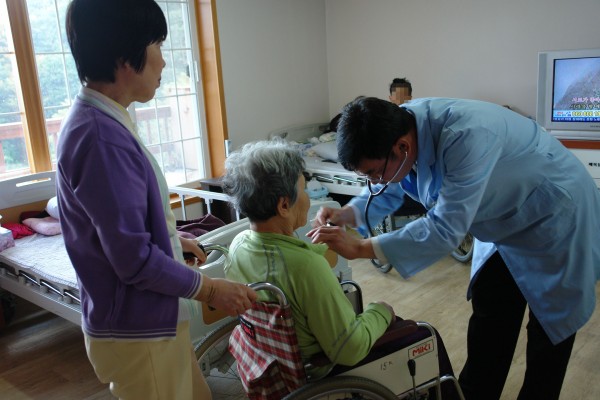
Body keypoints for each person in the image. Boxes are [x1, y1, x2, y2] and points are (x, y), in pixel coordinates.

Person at [307, 96, 600, 400]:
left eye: (372, 173)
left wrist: (362, 248)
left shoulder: (467, 136)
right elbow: (392, 184)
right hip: (501, 216)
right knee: (491, 312)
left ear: (403, 147)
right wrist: (347, 214)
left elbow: (444, 229)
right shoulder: (399, 129)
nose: (374, 181)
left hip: (553, 214)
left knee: (549, 331)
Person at [56, 1, 257, 399]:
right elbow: (133, 260)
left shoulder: (103, 120)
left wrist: (171, 240)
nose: (163, 62)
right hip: (138, 331)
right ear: (124, 55)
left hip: (147, 323)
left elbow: (114, 228)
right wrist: (211, 289)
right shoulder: (101, 138)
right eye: (158, 46)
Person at [220, 140, 397, 380]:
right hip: (314, 373)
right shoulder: (306, 267)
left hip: (270, 366)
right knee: (424, 335)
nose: (307, 197)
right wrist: (380, 311)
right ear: (284, 205)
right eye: (303, 190)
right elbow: (350, 349)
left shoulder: (237, 246)